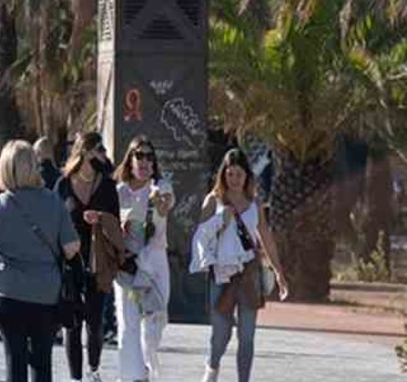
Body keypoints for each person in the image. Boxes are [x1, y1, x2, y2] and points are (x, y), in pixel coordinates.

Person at [0, 140, 82, 382]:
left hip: (7, 293)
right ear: (33, 166)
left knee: (15, 359)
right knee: (42, 362)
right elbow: (72, 248)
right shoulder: (53, 201)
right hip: (46, 294)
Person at [194, 150, 289, 382]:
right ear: (223, 175)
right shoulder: (213, 201)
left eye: (238, 174)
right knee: (220, 333)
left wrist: (279, 272)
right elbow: (200, 236)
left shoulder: (255, 204)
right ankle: (212, 367)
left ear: (247, 176)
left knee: (247, 336)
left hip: (248, 274)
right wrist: (219, 221)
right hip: (221, 274)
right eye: (229, 174)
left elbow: (265, 238)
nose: (234, 179)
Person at [55, 132, 119, 382]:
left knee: (94, 320)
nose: (102, 154)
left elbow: (116, 221)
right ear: (84, 152)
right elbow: (53, 220)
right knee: (72, 323)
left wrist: (101, 219)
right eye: (98, 149)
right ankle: (75, 378)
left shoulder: (107, 184)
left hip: (99, 260)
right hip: (70, 262)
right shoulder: (63, 184)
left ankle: (93, 370)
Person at [112, 137, 175, 382]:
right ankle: (132, 376)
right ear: (130, 159)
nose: (145, 161)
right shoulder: (119, 192)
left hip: (155, 264)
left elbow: (165, 206)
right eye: (140, 155)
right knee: (128, 323)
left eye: (150, 157)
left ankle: (147, 366)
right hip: (128, 266)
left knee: (155, 322)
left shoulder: (161, 187)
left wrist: (159, 202)